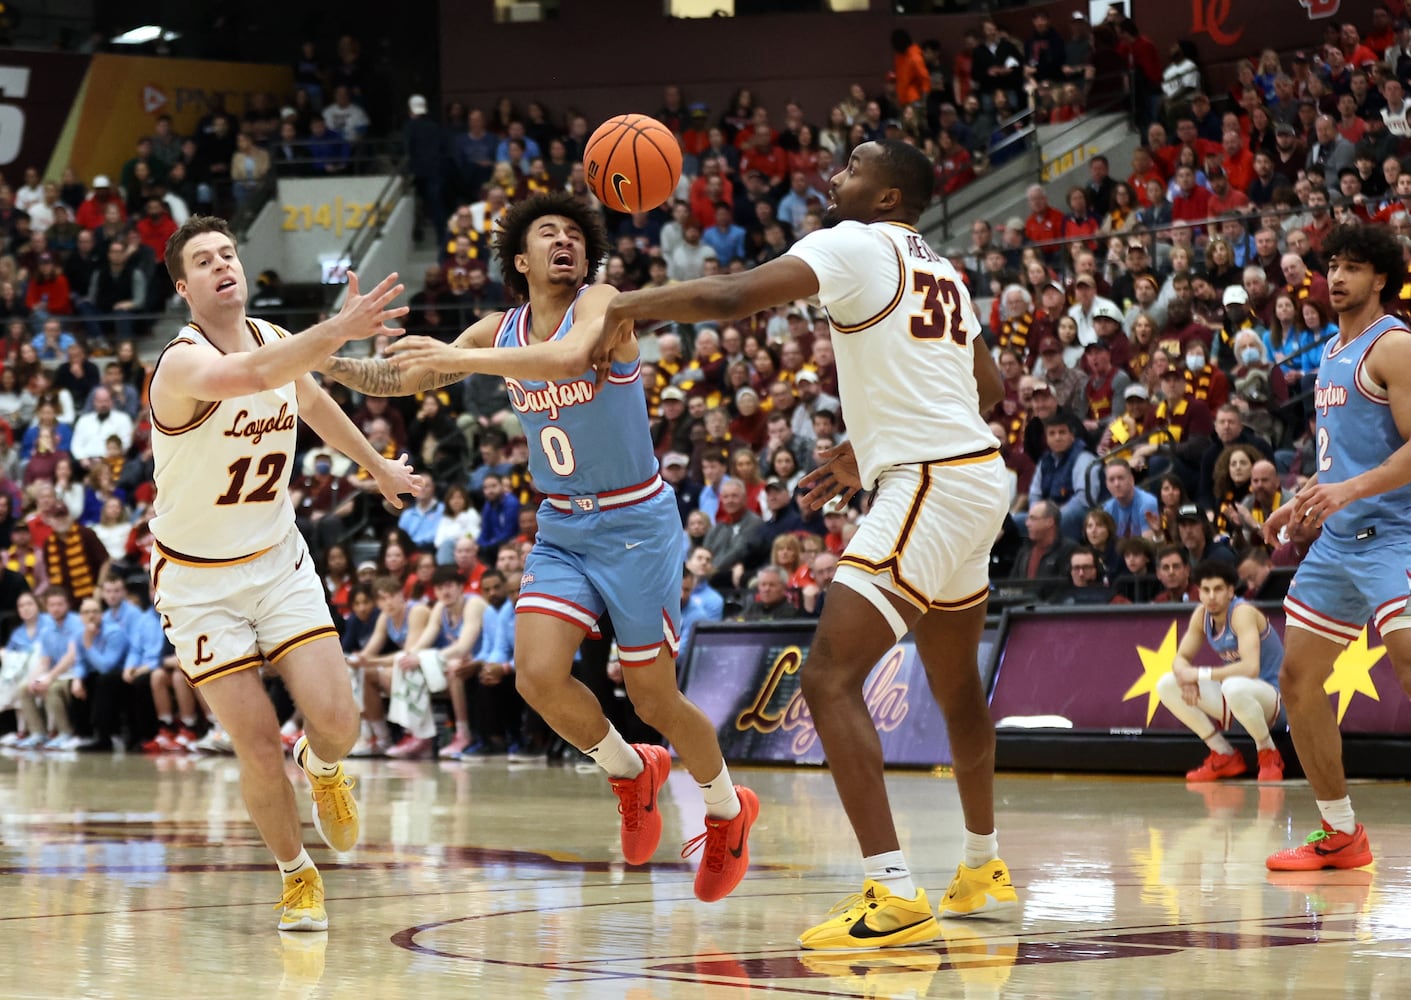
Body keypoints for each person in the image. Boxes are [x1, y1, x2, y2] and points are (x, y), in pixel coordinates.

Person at [593, 140, 1016, 948]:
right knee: (957, 689)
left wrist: (621, 306)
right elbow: (987, 389)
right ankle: (981, 861)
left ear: (888, 196)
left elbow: (727, 299)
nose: (832, 177)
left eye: (851, 167)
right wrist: (872, 442)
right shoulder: (942, 269)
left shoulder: (851, 241)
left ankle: (892, 892)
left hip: (931, 482)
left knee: (826, 678)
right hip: (970, 479)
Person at [322, 191, 758, 904]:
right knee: (537, 678)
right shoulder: (501, 327)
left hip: (634, 524)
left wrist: (472, 358)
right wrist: (320, 355)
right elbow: (403, 376)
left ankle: (724, 811)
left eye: (574, 236)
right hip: (562, 525)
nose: (565, 242)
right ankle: (629, 771)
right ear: (519, 260)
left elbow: (567, 359)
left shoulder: (602, 306)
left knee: (652, 696)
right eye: (547, 234)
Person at [147, 216, 420, 931]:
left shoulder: (273, 337)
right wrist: (340, 327)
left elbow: (310, 398)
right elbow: (250, 377)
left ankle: (322, 764)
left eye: (227, 254)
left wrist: (378, 466)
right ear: (185, 289)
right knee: (256, 740)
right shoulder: (180, 363)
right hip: (198, 583)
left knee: (340, 723)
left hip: (276, 562)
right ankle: (297, 876)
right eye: (203, 262)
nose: (221, 266)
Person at [1262, 224, 1411, 872]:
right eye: (1332, 265)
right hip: (1338, 543)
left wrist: (1347, 489)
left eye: (1353, 267)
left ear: (1380, 277)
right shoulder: (1329, 352)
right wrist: (1301, 501)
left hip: (1394, 535)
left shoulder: (1394, 346)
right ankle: (1340, 833)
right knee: (1295, 681)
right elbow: (1340, 460)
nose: (1338, 277)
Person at [1154, 559, 1285, 783]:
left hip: (1275, 701)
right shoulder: (1201, 615)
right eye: (1205, 590)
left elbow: (1250, 668)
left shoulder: (1242, 613)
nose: (1211, 596)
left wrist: (1198, 675)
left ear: (1231, 591)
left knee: (1234, 685)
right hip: (1239, 699)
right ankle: (1224, 754)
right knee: (1166, 684)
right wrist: (1185, 679)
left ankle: (1268, 752)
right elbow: (1181, 658)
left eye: (1218, 589)